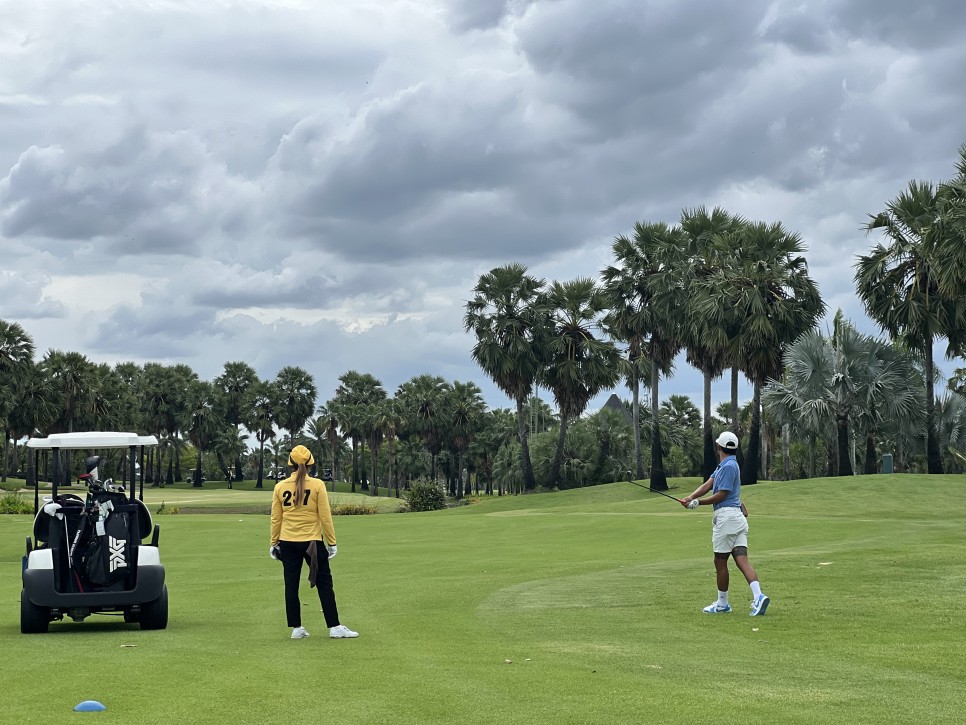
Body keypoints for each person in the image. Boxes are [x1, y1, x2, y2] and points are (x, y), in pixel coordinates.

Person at [270, 445, 358, 639]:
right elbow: (325, 516)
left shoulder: (280, 486)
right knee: (324, 583)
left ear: (290, 464)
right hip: (312, 542)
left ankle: (296, 628)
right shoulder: (317, 485)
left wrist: (274, 542)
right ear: (310, 464)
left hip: (287, 541)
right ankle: (334, 626)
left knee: (291, 584)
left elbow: (276, 518)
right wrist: (332, 542)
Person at [681, 431, 770, 617]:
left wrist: (698, 503)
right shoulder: (724, 466)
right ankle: (758, 596)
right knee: (741, 560)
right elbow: (709, 483)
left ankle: (722, 604)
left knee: (720, 562)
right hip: (736, 518)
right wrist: (691, 497)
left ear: (718, 447)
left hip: (727, 519)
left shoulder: (729, 467)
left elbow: (722, 494)